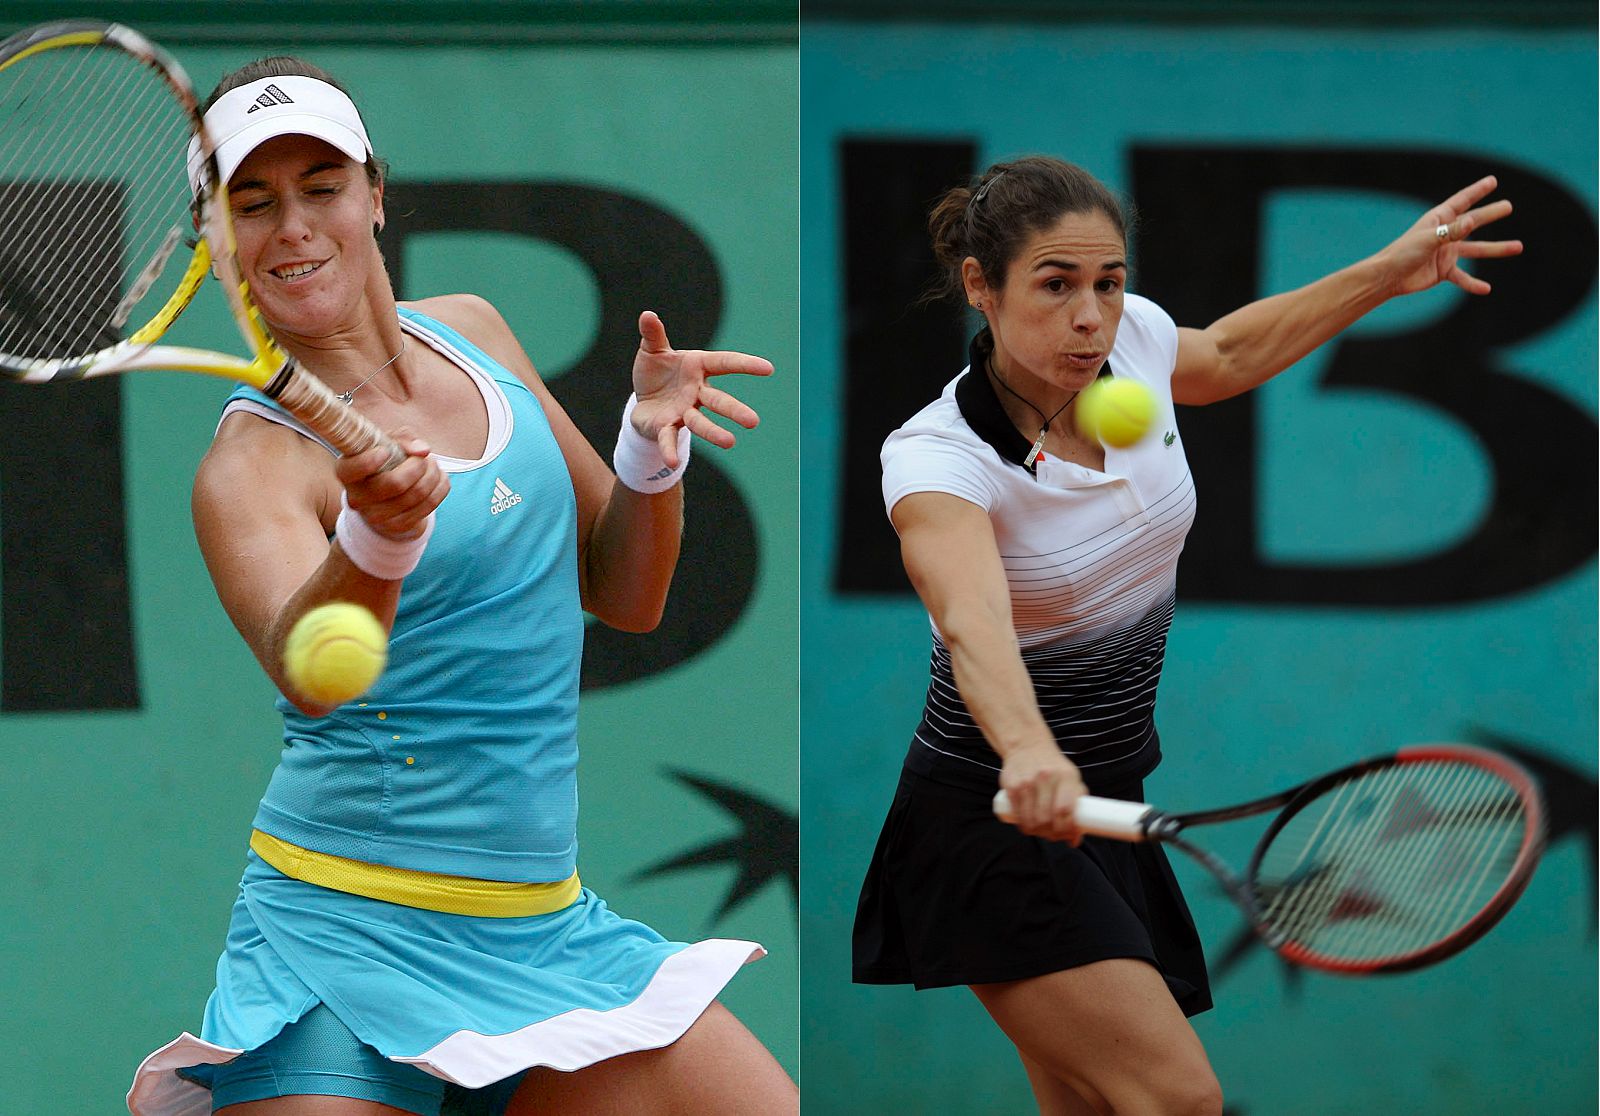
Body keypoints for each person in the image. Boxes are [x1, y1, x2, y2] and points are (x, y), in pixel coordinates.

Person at [127, 57, 798, 1116]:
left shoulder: (477, 333)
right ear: (216, 242)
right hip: (339, 946)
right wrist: (378, 540)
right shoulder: (250, 467)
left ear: (375, 194)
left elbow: (623, 590)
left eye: (321, 188)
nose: (293, 227)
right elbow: (316, 680)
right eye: (251, 203)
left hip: (542, 931)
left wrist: (648, 454)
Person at [852, 155, 1520, 1115]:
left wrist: (1385, 271)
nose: (1091, 316)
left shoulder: (1132, 353)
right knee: (1177, 1100)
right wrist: (1032, 752)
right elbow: (971, 621)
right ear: (979, 286)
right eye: (1055, 285)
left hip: (1106, 800)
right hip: (993, 820)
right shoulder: (937, 461)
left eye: (1109, 283)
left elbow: (1233, 354)